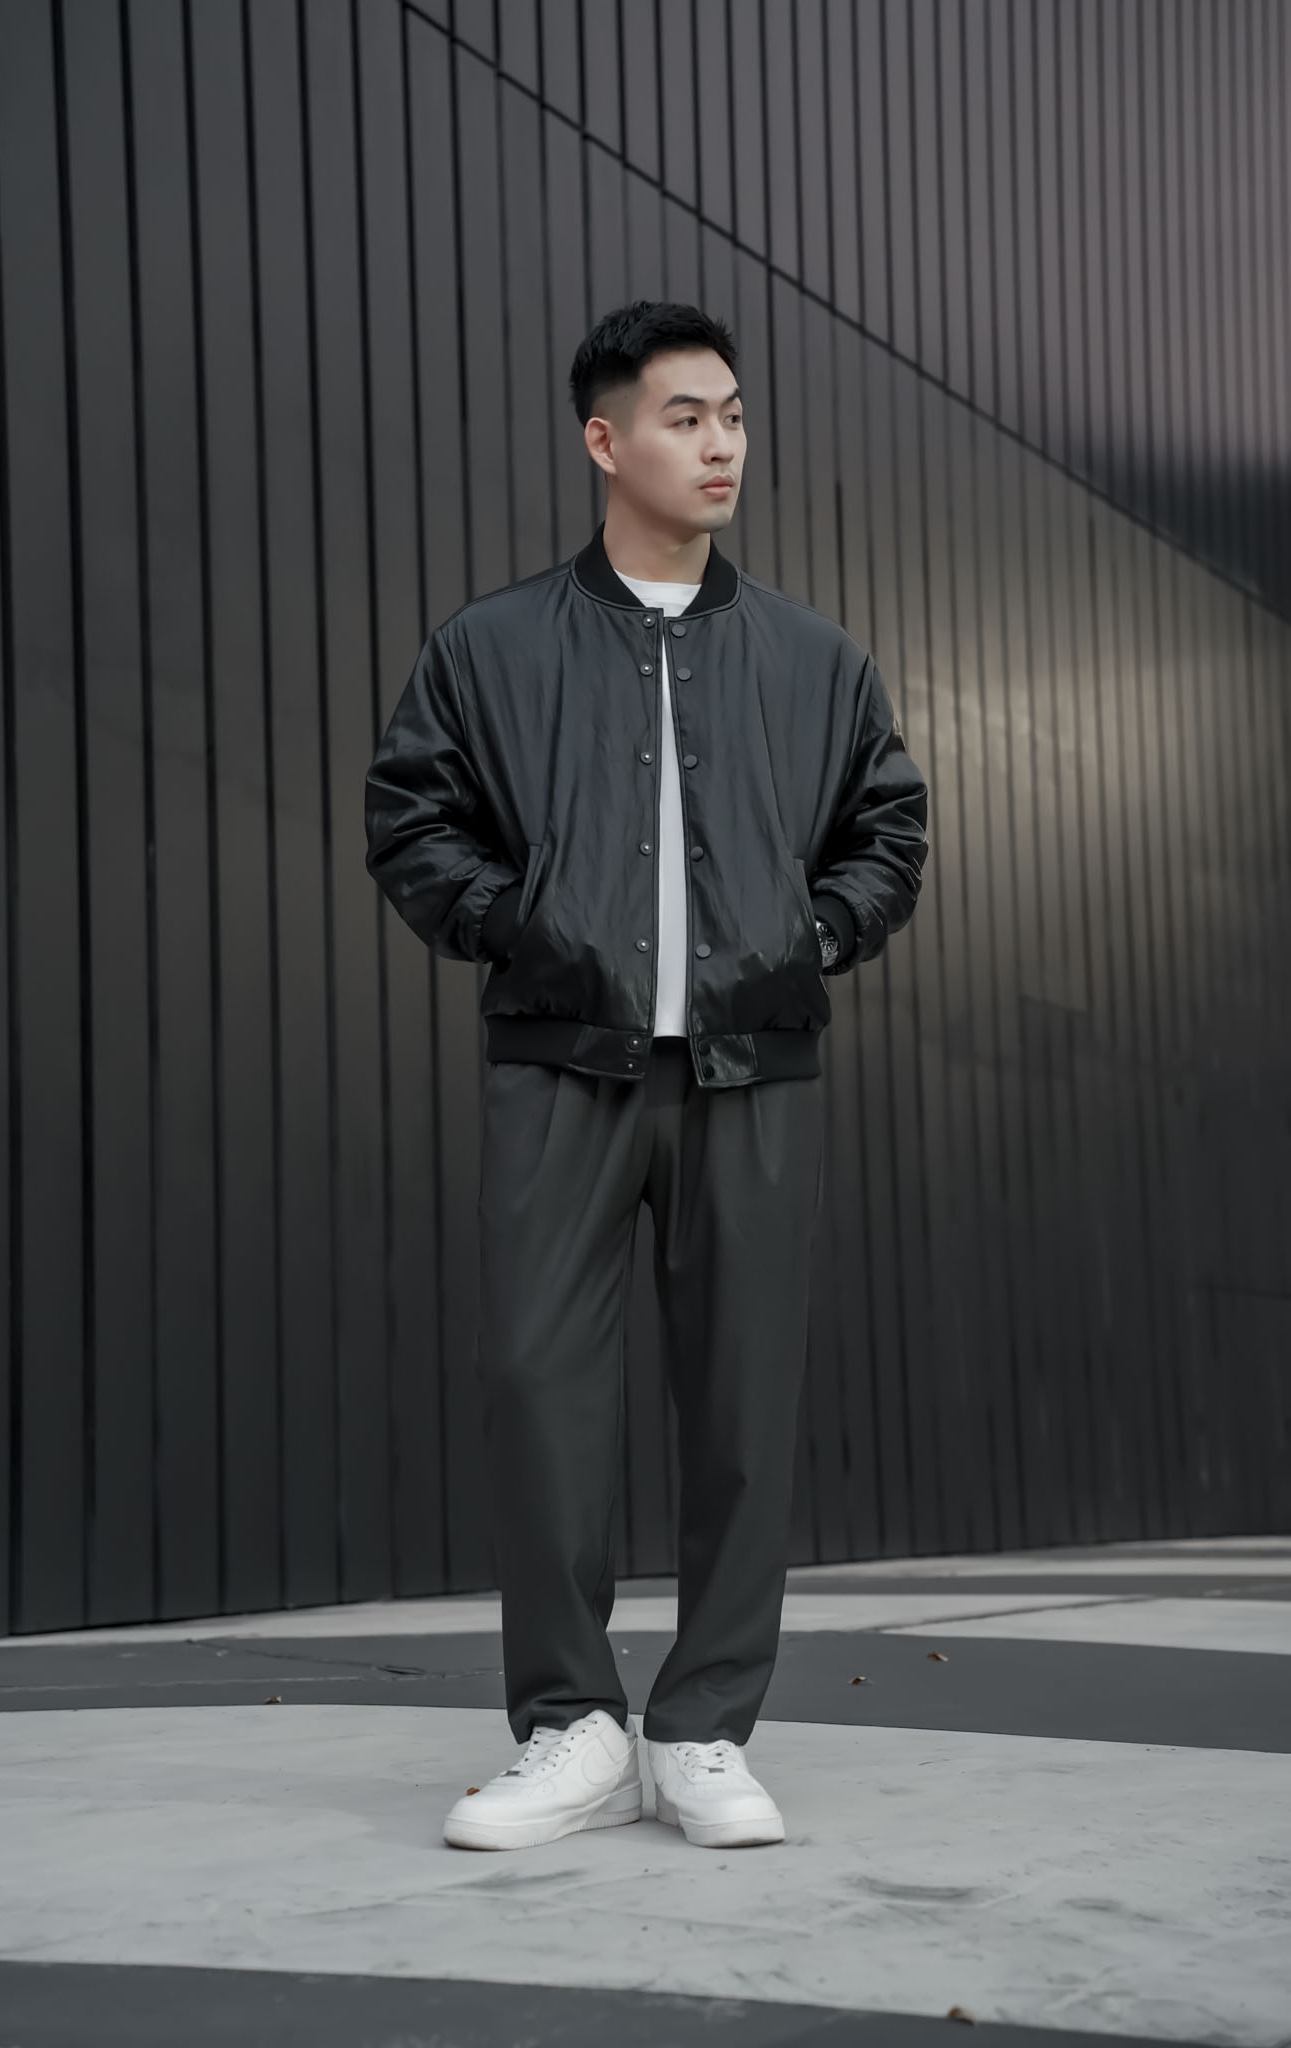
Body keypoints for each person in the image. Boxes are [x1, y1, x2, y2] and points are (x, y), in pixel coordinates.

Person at [364, 300, 928, 1853]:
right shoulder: (488, 646)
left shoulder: (813, 658)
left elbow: (886, 829)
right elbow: (412, 818)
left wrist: (811, 935)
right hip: (563, 1063)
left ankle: (702, 1731)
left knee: (741, 1404)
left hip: (753, 1071)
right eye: (686, 417)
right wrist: (517, 927)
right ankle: (570, 1725)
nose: (722, 442)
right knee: (538, 1391)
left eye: (732, 414)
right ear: (603, 440)